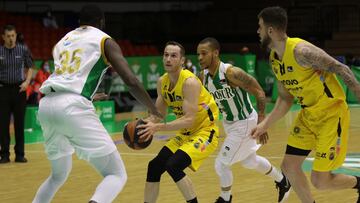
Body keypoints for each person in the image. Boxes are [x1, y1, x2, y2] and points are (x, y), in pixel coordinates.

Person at [32, 5, 162, 203]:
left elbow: (67, 76)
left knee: (58, 175)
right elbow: (130, 80)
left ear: (79, 22)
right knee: (116, 174)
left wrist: (88, 95)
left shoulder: (63, 40)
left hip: (47, 104)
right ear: (101, 22)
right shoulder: (104, 40)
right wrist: (152, 107)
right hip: (72, 106)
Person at [252, 6, 360, 203]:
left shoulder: (302, 51)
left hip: (331, 114)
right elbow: (285, 99)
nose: (257, 32)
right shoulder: (274, 59)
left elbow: (340, 67)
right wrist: (264, 125)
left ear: (270, 31)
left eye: (259, 27)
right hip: (308, 115)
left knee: (320, 181)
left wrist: (358, 92)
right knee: (289, 165)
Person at [197, 37, 291, 203]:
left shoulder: (231, 73)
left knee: (221, 164)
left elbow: (259, 92)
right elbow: (204, 102)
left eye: (204, 53)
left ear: (216, 53)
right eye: (198, 54)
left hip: (245, 122)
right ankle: (283, 182)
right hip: (230, 123)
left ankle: (225, 199)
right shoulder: (203, 77)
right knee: (249, 161)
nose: (200, 58)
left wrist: (262, 122)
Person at [138, 41, 219, 203]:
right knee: (154, 167)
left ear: (182, 60)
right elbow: (158, 115)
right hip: (185, 134)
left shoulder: (189, 82)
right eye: (166, 55)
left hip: (205, 133)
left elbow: (189, 120)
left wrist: (158, 127)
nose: (168, 59)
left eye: (173, 56)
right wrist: (144, 124)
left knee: (173, 165)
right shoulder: (163, 82)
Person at [0, 24, 33, 163]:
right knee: (3, 124)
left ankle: (20, 154)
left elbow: (30, 66)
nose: (11, 38)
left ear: (15, 35)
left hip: (19, 89)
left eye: (13, 35)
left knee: (19, 124)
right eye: (8, 36)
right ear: (3, 37)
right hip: (3, 90)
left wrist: (27, 82)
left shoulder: (23, 49)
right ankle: (4, 155)